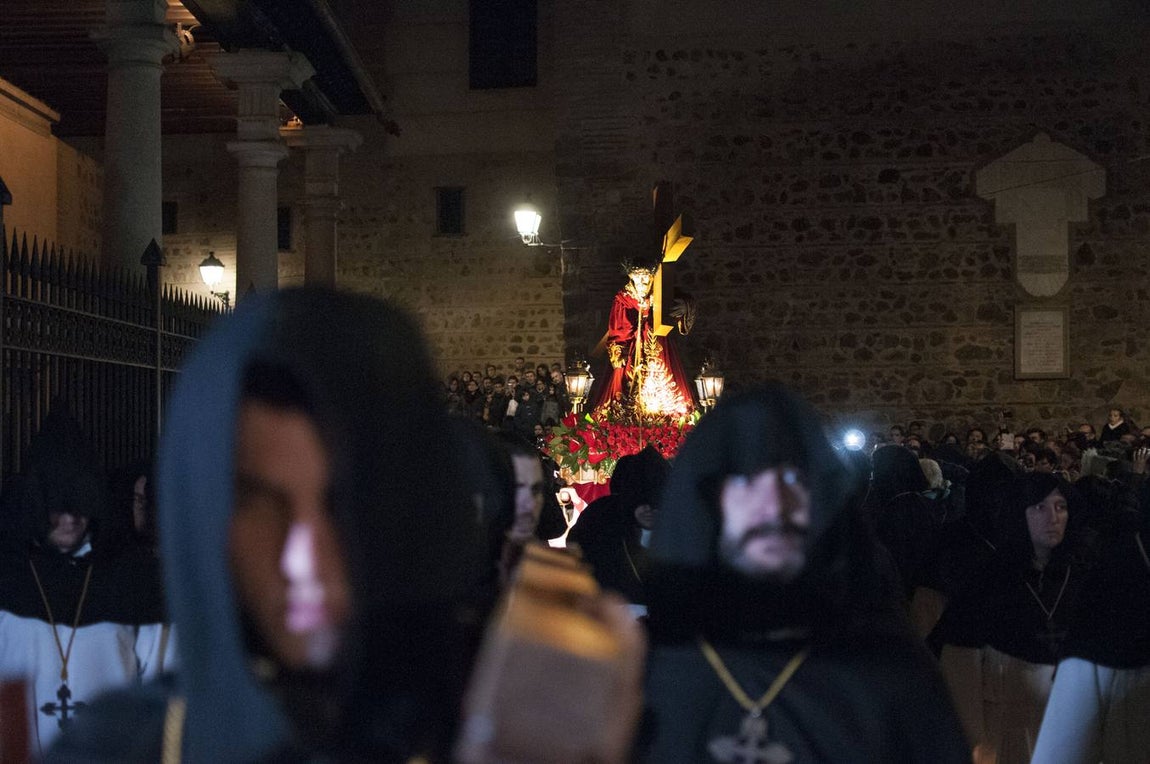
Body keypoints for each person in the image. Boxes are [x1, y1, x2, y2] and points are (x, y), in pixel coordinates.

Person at [48, 289, 492, 762]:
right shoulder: (116, 750)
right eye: (259, 503)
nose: (301, 560)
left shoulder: (508, 738)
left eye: (342, 504)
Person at [638, 383, 967, 763]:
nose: (776, 504)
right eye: (747, 480)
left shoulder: (891, 671)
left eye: (796, 479)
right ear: (709, 500)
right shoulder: (647, 669)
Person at [0, 411, 170, 756]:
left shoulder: (131, 579)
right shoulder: (8, 580)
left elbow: (159, 687)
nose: (69, 518)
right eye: (56, 506)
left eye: (78, 503)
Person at [932, 473, 1085, 764]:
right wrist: (976, 745)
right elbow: (960, 666)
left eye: (1060, 506)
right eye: (1040, 507)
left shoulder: (1079, 577)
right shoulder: (988, 578)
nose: (1053, 517)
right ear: (1019, 512)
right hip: (1006, 733)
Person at [566, 446, 669, 612]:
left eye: (657, 504)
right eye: (644, 502)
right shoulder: (601, 520)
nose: (650, 510)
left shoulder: (678, 529)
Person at [590, 259, 694, 416]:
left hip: (659, 346)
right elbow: (619, 328)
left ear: (652, 276)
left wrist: (685, 307)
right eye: (637, 277)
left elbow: (684, 301)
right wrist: (619, 351)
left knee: (668, 389)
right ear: (631, 276)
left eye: (645, 276)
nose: (641, 282)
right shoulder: (623, 298)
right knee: (625, 390)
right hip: (633, 351)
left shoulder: (661, 292)